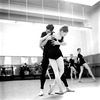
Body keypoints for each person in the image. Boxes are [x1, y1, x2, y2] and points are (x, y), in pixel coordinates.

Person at [41, 25, 74, 95]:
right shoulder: (53, 34)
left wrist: (58, 43)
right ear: (61, 31)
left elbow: (65, 43)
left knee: (62, 71)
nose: (65, 35)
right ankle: (61, 90)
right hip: (50, 54)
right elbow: (41, 41)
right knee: (56, 72)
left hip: (58, 54)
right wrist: (47, 38)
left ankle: (53, 84)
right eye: (65, 33)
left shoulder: (62, 37)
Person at [39, 24, 54, 96]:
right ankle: (41, 89)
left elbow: (54, 44)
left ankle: (66, 87)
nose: (47, 31)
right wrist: (47, 38)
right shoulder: (43, 33)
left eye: (48, 31)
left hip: (52, 55)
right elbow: (41, 44)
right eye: (46, 29)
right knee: (43, 72)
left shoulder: (53, 34)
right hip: (45, 55)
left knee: (60, 71)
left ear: (51, 31)